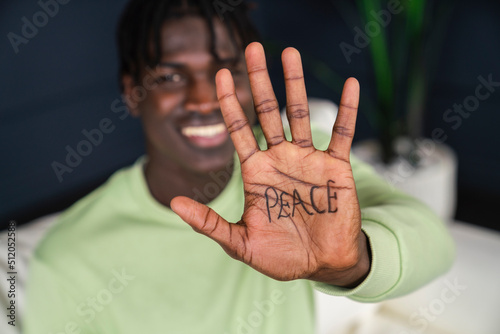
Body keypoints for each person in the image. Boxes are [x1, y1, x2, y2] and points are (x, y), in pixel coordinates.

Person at [23, 0, 454, 333]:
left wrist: (348, 263)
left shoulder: (300, 168)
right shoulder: (66, 257)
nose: (204, 99)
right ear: (131, 90)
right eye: (170, 77)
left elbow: (434, 243)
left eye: (226, 70)